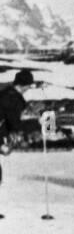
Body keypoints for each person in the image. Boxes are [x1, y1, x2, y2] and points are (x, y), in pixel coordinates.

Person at [0, 70, 34, 217]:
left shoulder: (9, 94)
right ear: (23, 85)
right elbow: (13, 121)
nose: (29, 89)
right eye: (28, 85)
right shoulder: (11, 98)